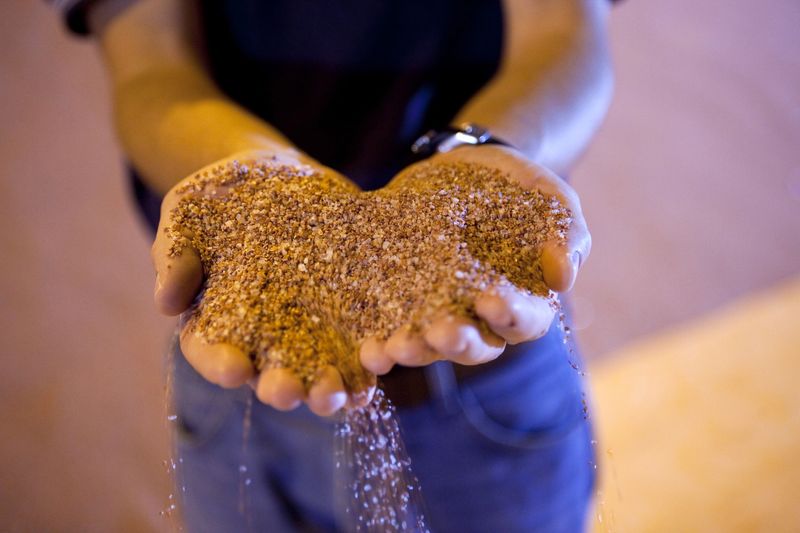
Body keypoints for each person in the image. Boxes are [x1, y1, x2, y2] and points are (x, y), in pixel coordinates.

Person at [59, 0, 614, 530]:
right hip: (243, 342)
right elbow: (150, 67)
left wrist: (483, 150)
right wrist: (251, 166)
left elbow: (563, 33)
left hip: (484, 361)